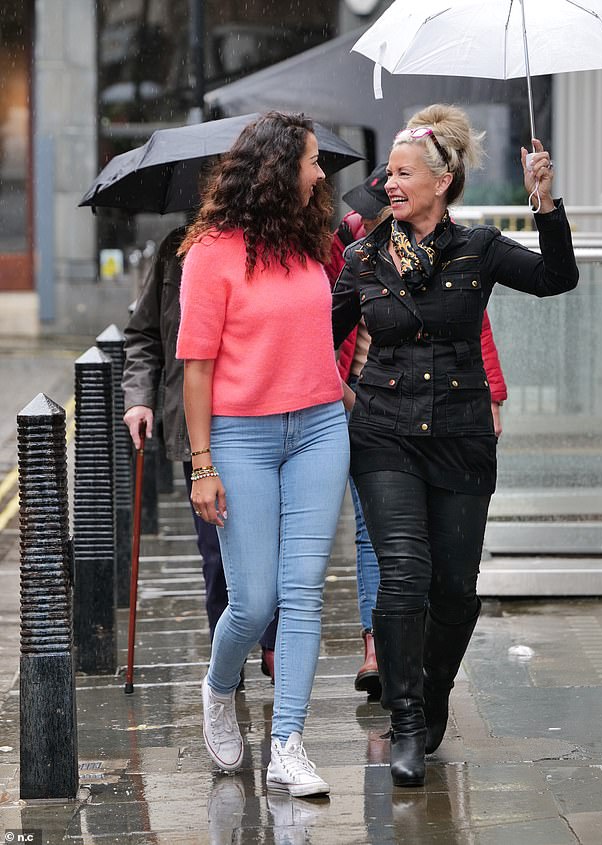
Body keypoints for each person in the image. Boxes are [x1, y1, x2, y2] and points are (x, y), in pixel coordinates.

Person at [332, 103, 578, 787]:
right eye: (388, 175)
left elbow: (559, 277)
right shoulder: (363, 256)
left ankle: (433, 691)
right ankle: (407, 718)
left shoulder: (480, 246)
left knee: (456, 588)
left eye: (403, 174)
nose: (389, 183)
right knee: (404, 571)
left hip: (462, 434)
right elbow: (315, 340)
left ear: (441, 182)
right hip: (383, 432)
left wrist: (545, 203)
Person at [175, 111, 349, 797]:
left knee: (304, 591)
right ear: (279, 170)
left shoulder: (310, 240)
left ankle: (288, 743)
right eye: (310, 161)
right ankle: (219, 689)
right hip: (240, 437)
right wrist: (203, 463)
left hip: (318, 430)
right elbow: (196, 366)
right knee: (253, 600)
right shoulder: (211, 252)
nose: (319, 172)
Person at [325, 163, 507, 700]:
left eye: (407, 180)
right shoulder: (357, 246)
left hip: (450, 416)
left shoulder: (464, 249)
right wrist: (343, 391)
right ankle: (377, 651)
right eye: (392, 185)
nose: (396, 196)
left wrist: (491, 392)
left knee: (447, 572)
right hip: (375, 412)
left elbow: (475, 325)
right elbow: (325, 326)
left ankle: (428, 674)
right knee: (383, 545)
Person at [122, 224, 277, 679]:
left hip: (263, 415)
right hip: (200, 425)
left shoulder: (274, 240)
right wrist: (139, 398)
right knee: (216, 555)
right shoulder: (177, 248)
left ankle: (272, 643)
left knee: (276, 546)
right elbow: (145, 334)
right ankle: (226, 668)